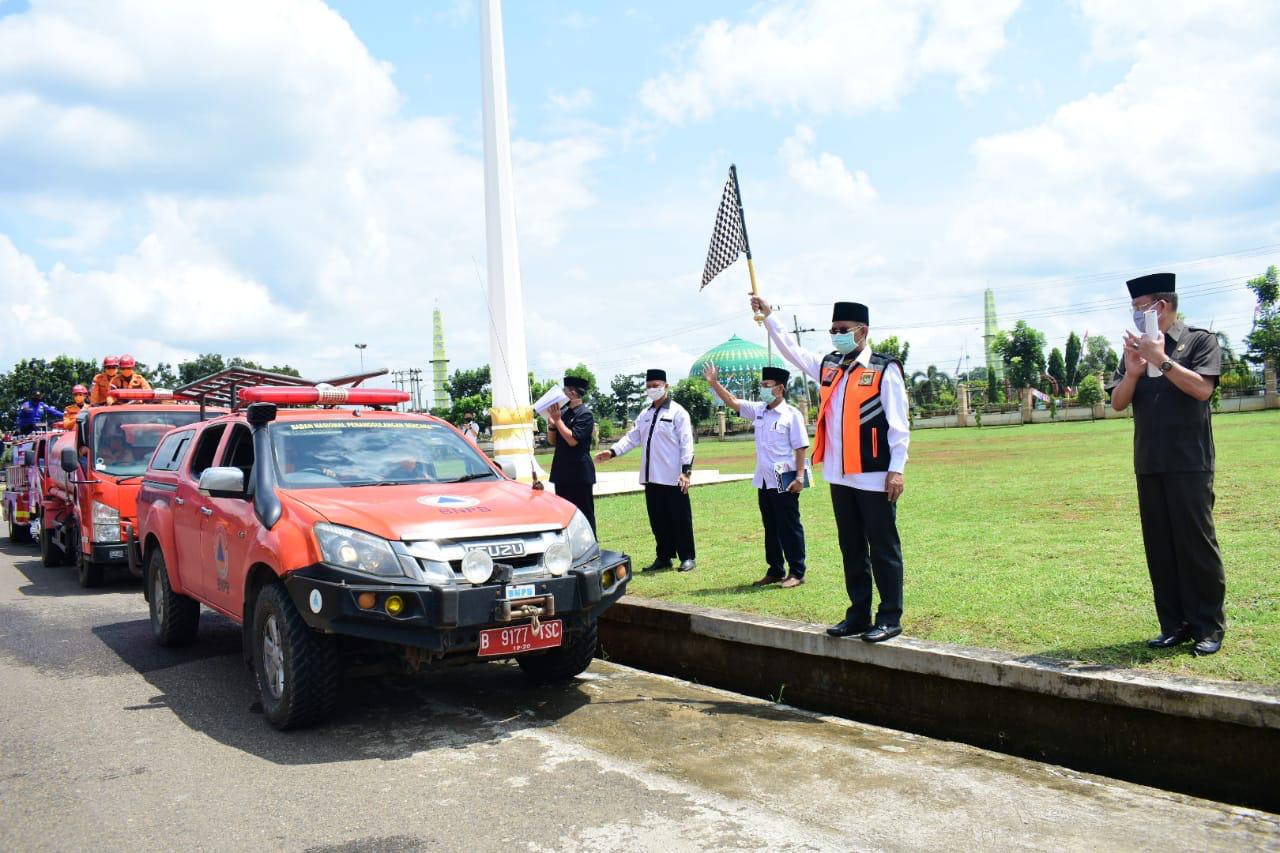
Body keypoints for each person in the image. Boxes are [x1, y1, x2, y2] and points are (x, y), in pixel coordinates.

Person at [754, 294, 910, 643]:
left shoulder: (884, 369)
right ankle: (858, 614)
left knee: (882, 548)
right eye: (833, 330)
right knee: (851, 548)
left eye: (843, 329)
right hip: (839, 476)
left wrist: (897, 469)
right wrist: (769, 317)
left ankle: (889, 617)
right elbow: (792, 351)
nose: (836, 335)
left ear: (862, 331)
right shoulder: (829, 367)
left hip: (874, 474)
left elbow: (899, 425)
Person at [1108, 272, 1225, 657]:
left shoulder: (1199, 341)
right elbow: (1118, 402)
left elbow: (1202, 389)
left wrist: (1162, 360)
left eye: (1140, 307)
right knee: (1160, 547)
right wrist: (1134, 370)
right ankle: (1174, 625)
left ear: (1161, 306)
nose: (1135, 314)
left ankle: (1208, 626)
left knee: (1196, 545)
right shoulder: (1134, 349)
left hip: (1189, 462)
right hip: (1149, 462)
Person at [705, 363, 810, 588]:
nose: (762, 388)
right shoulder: (759, 409)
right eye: (762, 384)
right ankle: (775, 570)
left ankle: (797, 572)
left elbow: (801, 447)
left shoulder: (791, 415)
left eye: (766, 385)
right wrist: (714, 383)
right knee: (770, 527)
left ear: (780, 388)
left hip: (785, 477)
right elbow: (732, 401)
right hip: (764, 478)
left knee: (789, 526)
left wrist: (800, 478)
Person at [596, 369, 697, 572]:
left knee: (680, 519)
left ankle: (687, 557)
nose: (652, 389)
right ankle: (664, 557)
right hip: (651, 477)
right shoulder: (645, 414)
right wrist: (612, 452)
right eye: (649, 386)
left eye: (656, 385)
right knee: (658, 520)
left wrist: (686, 471)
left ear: (666, 386)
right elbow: (632, 438)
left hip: (673, 477)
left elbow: (687, 443)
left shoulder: (678, 412)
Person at [547, 375, 597, 534]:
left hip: (579, 473)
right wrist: (552, 426)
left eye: (564, 391)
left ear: (573, 393)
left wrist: (558, 421)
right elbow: (552, 441)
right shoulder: (562, 413)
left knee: (583, 513)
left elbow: (573, 440)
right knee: (564, 514)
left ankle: (590, 543)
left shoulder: (585, 414)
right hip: (562, 471)